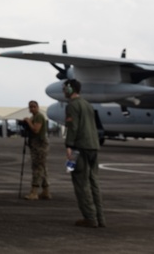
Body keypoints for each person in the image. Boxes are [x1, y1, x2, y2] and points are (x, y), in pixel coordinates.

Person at [64, 79, 105, 227]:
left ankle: (90, 217)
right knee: (94, 182)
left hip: (78, 148)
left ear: (70, 89)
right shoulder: (87, 105)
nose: (63, 91)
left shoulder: (72, 106)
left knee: (81, 182)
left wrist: (68, 146)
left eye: (65, 88)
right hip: (93, 147)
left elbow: (72, 127)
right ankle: (100, 218)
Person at [22, 100, 51, 200]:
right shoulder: (33, 117)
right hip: (35, 144)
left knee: (37, 167)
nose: (32, 108)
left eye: (34, 106)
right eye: (30, 107)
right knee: (42, 167)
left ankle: (34, 191)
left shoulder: (38, 116)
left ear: (38, 107)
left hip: (40, 144)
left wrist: (28, 122)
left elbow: (36, 130)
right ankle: (45, 190)